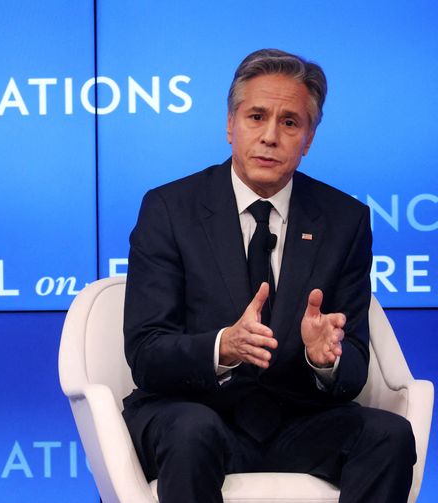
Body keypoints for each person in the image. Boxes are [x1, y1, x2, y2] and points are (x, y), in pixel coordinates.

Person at [122, 48, 416, 503]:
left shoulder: (344, 221)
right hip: (195, 413)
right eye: (256, 116)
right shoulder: (169, 209)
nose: (271, 137)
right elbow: (146, 351)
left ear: (309, 139)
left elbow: (354, 363)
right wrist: (224, 346)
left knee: (389, 435)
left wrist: (325, 359)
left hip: (297, 420)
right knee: (191, 430)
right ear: (230, 125)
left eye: (290, 123)